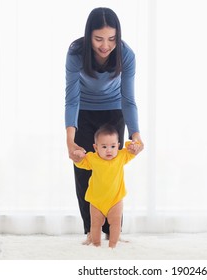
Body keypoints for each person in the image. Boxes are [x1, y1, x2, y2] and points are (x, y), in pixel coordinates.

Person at [65, 7, 144, 243]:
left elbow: (128, 99)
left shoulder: (126, 54)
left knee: (111, 171)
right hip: (84, 112)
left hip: (113, 112)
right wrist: (70, 140)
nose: (105, 45)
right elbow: (72, 98)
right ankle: (91, 231)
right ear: (89, 35)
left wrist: (136, 135)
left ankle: (113, 232)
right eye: (99, 39)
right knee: (84, 171)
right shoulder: (76, 52)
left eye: (111, 38)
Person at [73, 124, 140, 248]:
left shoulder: (121, 156)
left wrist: (133, 145)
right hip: (96, 201)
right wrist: (78, 156)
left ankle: (112, 245)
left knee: (115, 224)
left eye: (113, 146)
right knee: (95, 224)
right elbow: (80, 163)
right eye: (104, 147)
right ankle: (96, 244)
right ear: (96, 147)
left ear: (118, 146)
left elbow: (134, 150)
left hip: (115, 200)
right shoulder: (92, 158)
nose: (109, 150)